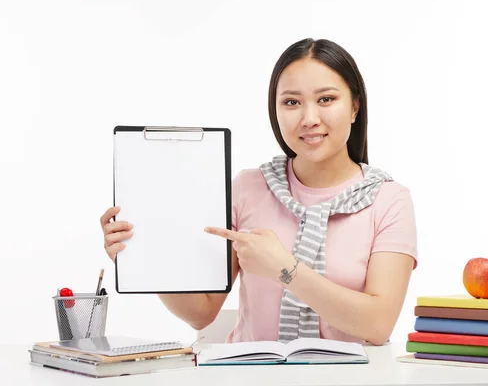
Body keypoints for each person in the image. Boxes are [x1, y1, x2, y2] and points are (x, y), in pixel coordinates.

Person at [100, 38, 418, 346]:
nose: (309, 118)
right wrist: (147, 253)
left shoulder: (388, 200)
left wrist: (284, 268)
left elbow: (378, 324)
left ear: (354, 107)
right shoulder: (249, 188)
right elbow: (201, 313)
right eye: (292, 102)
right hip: (251, 376)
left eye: (326, 99)